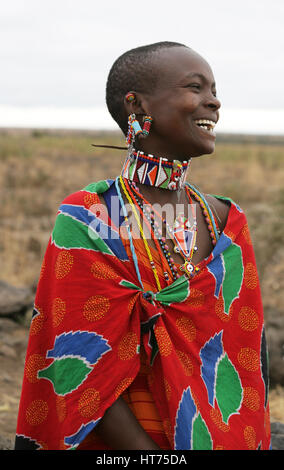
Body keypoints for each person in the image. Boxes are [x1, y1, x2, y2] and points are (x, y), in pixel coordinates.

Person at [15, 42, 271, 450]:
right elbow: (77, 366)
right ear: (136, 106)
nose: (214, 101)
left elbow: (242, 365)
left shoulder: (226, 222)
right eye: (196, 87)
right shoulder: (91, 217)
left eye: (215, 89)